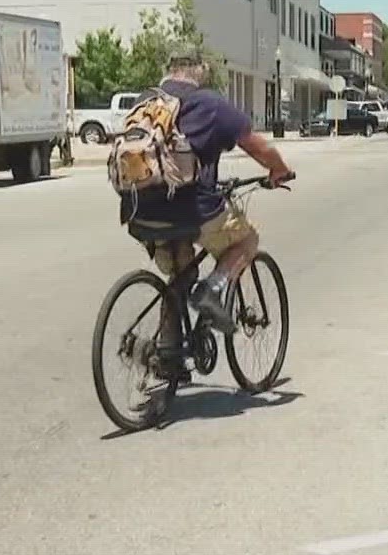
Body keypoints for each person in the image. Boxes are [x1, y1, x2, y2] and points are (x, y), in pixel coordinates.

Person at [122, 47, 295, 350]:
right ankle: (211, 290)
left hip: (140, 211)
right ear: (200, 71)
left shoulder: (146, 100)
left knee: (179, 277)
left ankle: (167, 354)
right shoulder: (210, 103)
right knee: (247, 239)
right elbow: (257, 146)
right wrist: (279, 170)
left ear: (169, 69)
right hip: (191, 210)